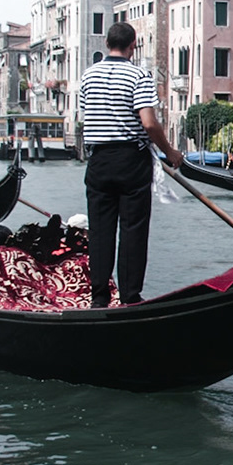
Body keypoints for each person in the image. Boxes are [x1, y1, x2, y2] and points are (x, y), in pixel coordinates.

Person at [78, 20, 184, 307]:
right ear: (133, 46)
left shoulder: (88, 76)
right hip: (130, 160)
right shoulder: (139, 75)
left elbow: (86, 117)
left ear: (107, 44)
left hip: (99, 160)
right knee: (133, 230)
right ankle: (130, 298)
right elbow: (149, 124)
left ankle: (99, 299)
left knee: (100, 232)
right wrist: (170, 152)